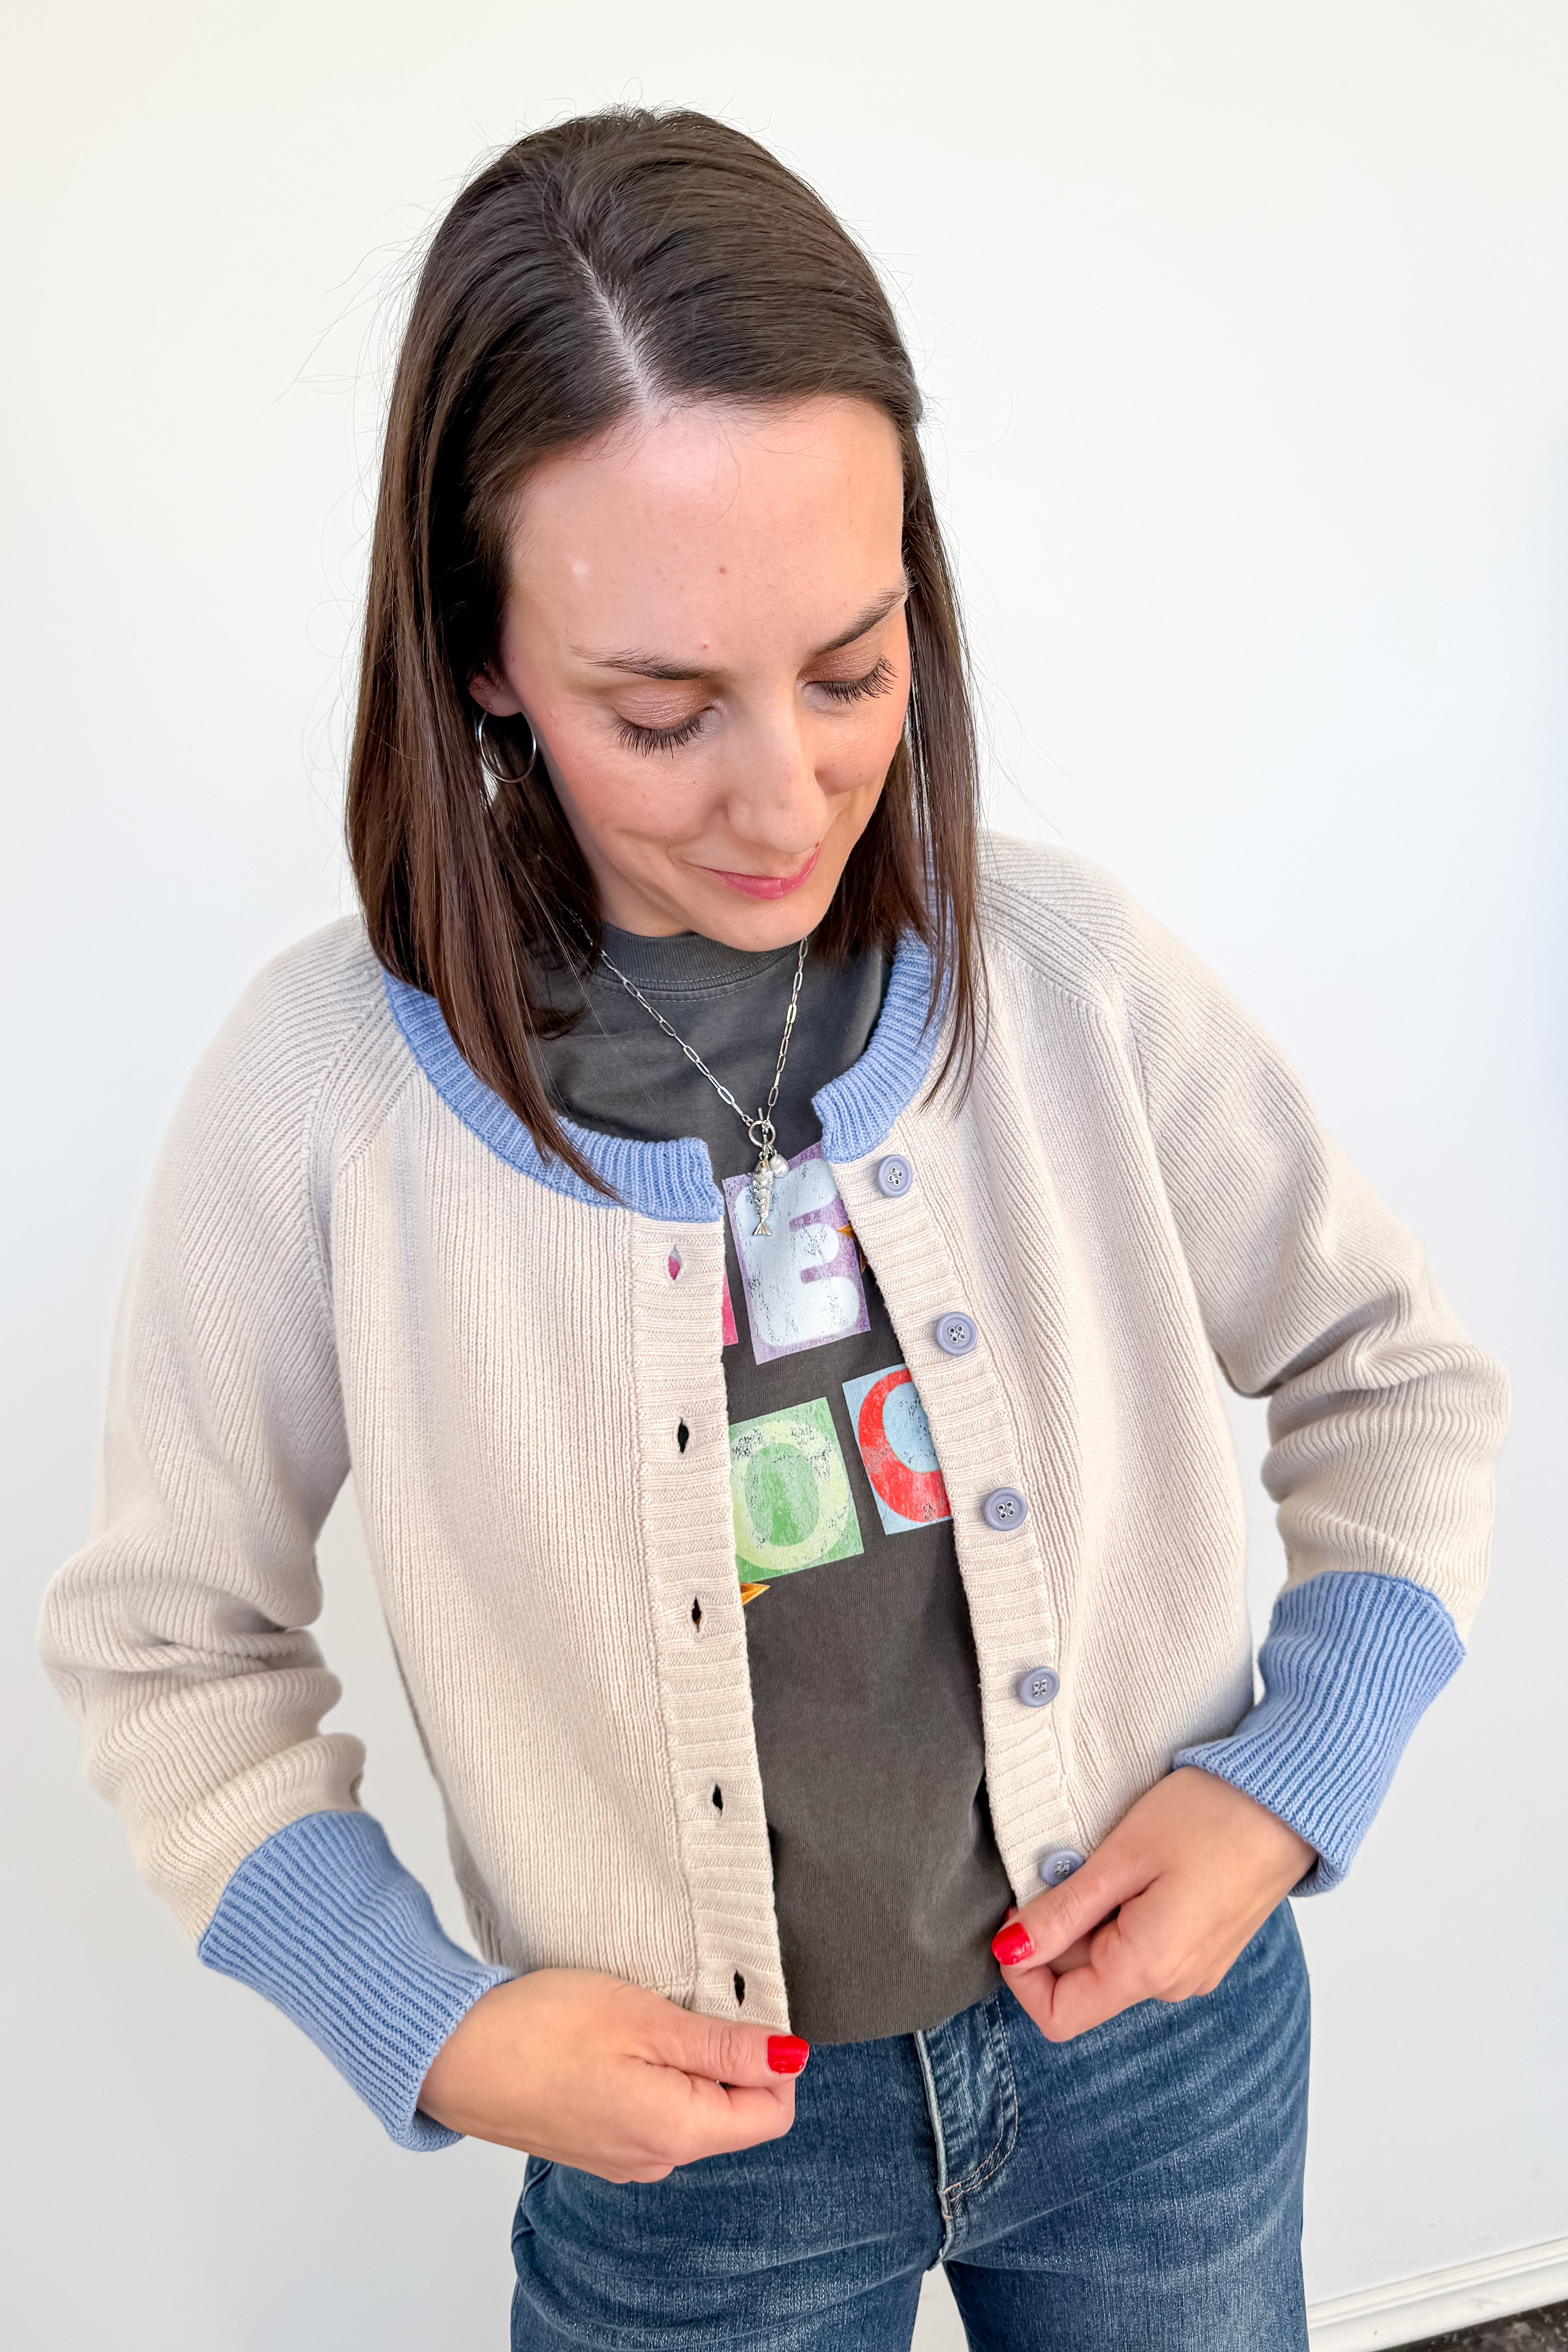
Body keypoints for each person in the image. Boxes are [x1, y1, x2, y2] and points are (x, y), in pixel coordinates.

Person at [41, 107, 1509, 2351]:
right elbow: (173, 1653)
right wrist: (429, 2021)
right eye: (661, 711)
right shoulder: (325, 1103)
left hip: (1164, 2071)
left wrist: (1282, 1792)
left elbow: (1400, 1386)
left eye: (851, 666)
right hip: (697, 2169)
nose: (786, 794)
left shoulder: (1071, 978)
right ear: (482, 658)